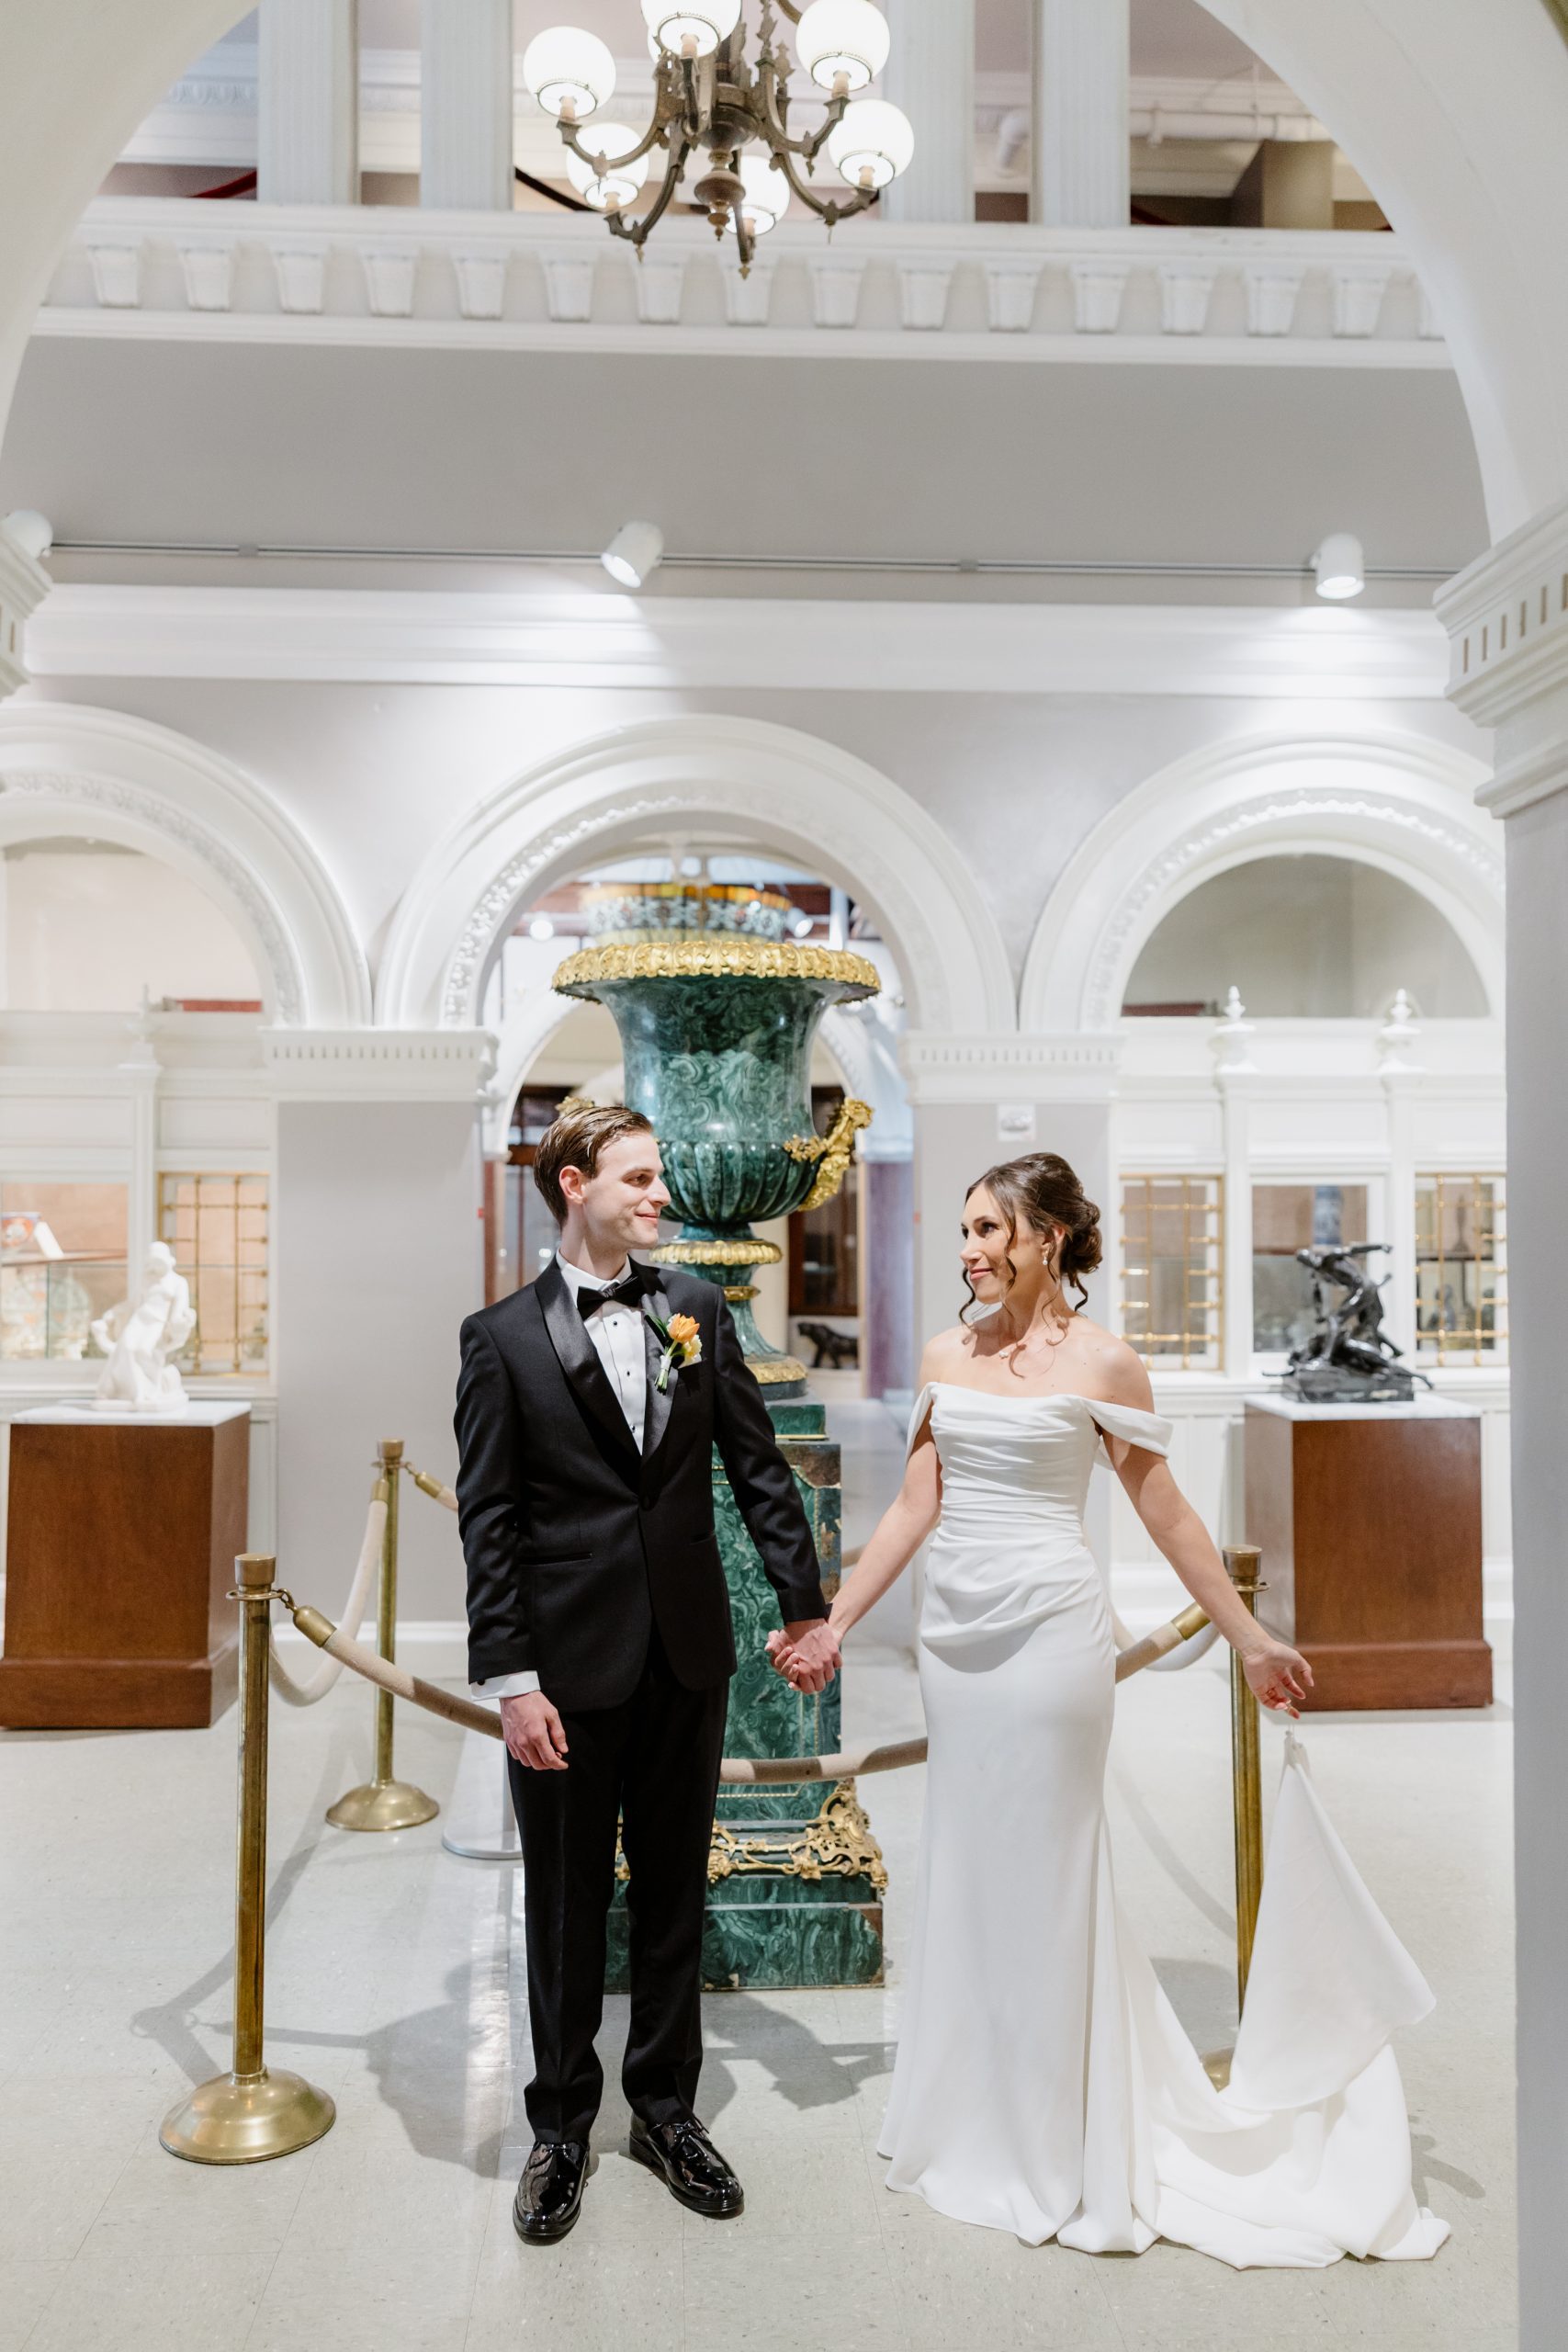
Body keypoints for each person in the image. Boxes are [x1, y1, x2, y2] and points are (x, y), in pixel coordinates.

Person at [771, 1151, 1450, 2268]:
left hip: (1051, 1641)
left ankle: (1066, 2135)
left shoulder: (1108, 1362)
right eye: (965, 1234)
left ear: (1046, 1236)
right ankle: (977, 2114)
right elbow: (911, 1507)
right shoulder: (949, 1353)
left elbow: (1166, 1511)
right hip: (960, 1643)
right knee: (975, 1872)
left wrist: (1248, 1635)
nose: (971, 1252)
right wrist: (834, 1620)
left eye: (990, 1230)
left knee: (1050, 1875)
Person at [455, 1101, 840, 2245]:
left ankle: (665, 2109)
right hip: (563, 1669)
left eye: (657, 1175)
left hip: (687, 1650)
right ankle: (561, 2126)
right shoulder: (501, 1338)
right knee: (568, 1902)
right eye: (638, 1176)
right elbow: (489, 1522)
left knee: (676, 1889)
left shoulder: (697, 1309)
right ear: (574, 1183)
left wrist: (806, 1607)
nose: (659, 1194)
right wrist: (512, 1678)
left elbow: (759, 1470)